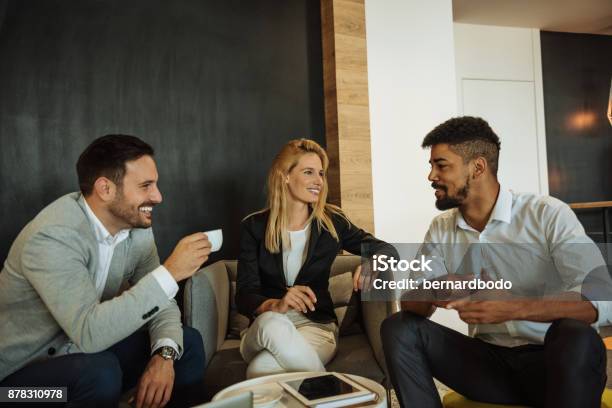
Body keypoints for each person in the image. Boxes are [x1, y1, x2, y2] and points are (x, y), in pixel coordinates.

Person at [381, 117, 609, 408]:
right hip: (488, 367)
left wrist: (514, 306)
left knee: (575, 334)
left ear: (477, 167)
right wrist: (440, 287)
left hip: (555, 366)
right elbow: (411, 304)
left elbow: (601, 300)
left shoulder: (547, 214)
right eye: (431, 166)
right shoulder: (440, 228)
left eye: (441, 165)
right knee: (399, 327)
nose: (431, 176)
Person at [0, 135, 209, 407]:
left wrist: (165, 355)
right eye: (146, 186)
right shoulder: (53, 236)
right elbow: (89, 332)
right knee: (99, 373)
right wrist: (170, 273)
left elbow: (162, 301)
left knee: (185, 343)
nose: (158, 196)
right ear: (105, 188)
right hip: (16, 387)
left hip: (81, 353)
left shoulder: (136, 229)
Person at [236, 138, 396, 379]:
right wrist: (277, 305)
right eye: (308, 172)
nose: (318, 181)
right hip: (264, 328)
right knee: (273, 323)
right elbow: (245, 295)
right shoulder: (254, 227)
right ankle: (337, 395)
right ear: (285, 176)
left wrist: (372, 262)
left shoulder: (332, 223)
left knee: (259, 371)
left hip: (316, 327)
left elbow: (387, 250)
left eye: (321, 173)